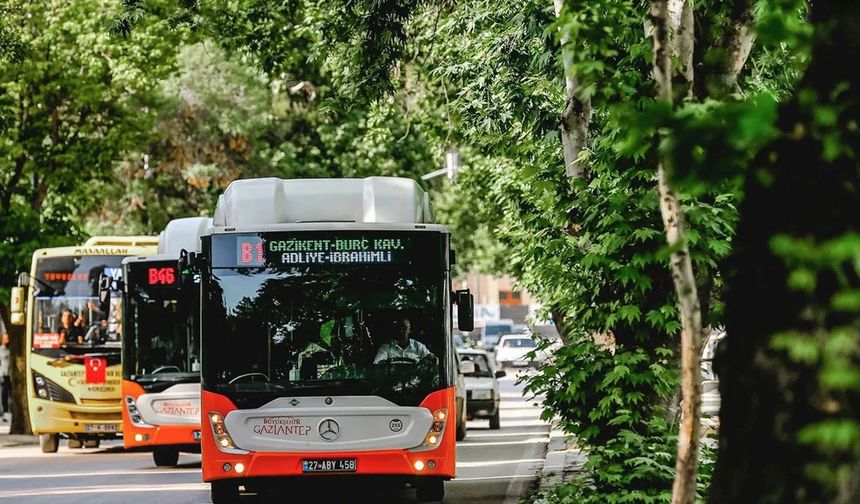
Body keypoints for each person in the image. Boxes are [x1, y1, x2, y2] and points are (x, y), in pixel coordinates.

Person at [0, 332, 10, 422]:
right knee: (4, 394)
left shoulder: (11, 350)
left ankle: (11, 411)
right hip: (4, 374)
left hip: (12, 375)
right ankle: (5, 411)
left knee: (12, 394)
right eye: (5, 338)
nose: (6, 340)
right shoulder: (1, 350)